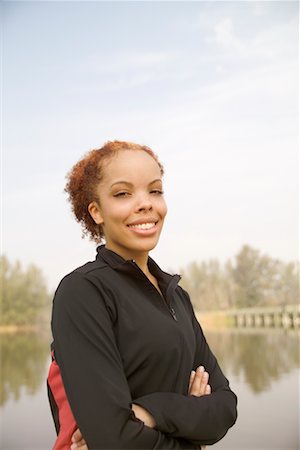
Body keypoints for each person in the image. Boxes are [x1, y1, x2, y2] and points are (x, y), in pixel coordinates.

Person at [47, 140, 237, 450]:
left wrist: (150, 412)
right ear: (96, 211)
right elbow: (114, 438)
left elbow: (225, 407)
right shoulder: (83, 292)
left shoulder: (177, 297)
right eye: (123, 193)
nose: (145, 203)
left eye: (155, 190)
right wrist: (191, 424)